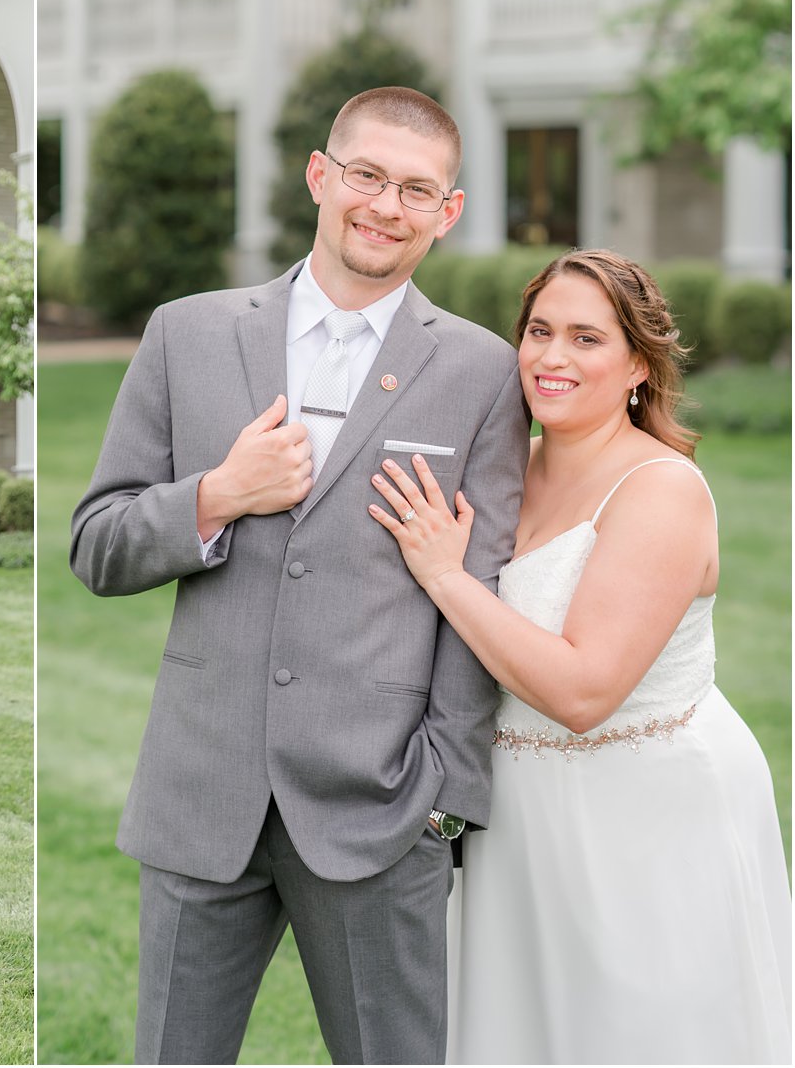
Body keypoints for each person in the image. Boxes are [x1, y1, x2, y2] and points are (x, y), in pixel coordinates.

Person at [70, 86, 529, 1064]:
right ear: (320, 176)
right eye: (365, 175)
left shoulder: (481, 372)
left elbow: (473, 587)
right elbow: (95, 544)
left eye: (415, 189)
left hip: (379, 806)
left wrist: (442, 788)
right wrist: (217, 494)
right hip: (200, 793)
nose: (383, 205)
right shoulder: (183, 334)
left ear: (446, 213)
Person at [368, 248, 792, 1064]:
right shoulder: (505, 470)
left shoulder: (660, 490)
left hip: (646, 819)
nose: (553, 358)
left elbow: (584, 690)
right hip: (516, 818)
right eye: (539, 331)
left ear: (638, 361)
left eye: (586, 339)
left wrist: (446, 577)